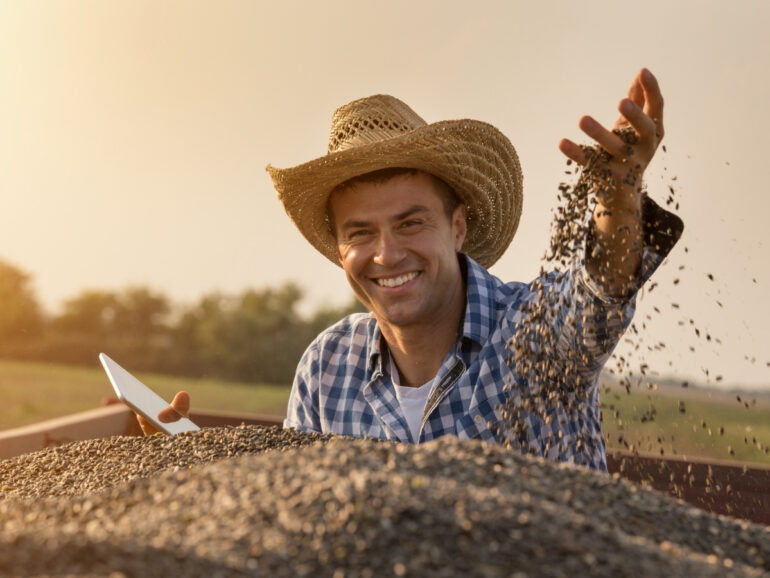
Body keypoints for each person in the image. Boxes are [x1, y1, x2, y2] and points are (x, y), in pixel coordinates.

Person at [139, 68, 682, 471]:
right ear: (338, 249)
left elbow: (598, 297)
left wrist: (619, 197)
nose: (387, 254)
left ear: (459, 227)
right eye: (360, 233)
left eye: (410, 222)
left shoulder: (534, 332)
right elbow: (294, 510)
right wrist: (194, 471)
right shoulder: (327, 368)